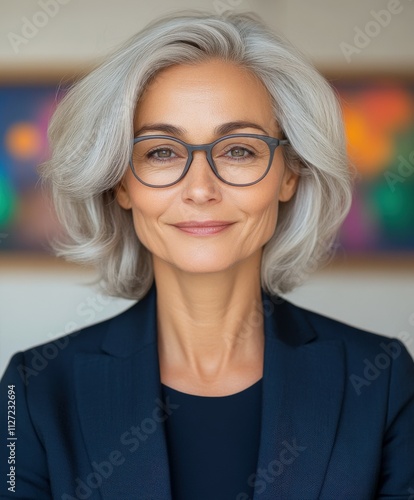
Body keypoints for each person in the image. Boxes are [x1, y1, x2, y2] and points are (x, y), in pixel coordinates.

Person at [1, 10, 414, 500]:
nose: (200, 189)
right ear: (121, 184)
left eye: (239, 150)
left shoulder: (382, 377)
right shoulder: (31, 389)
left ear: (289, 175)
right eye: (161, 152)